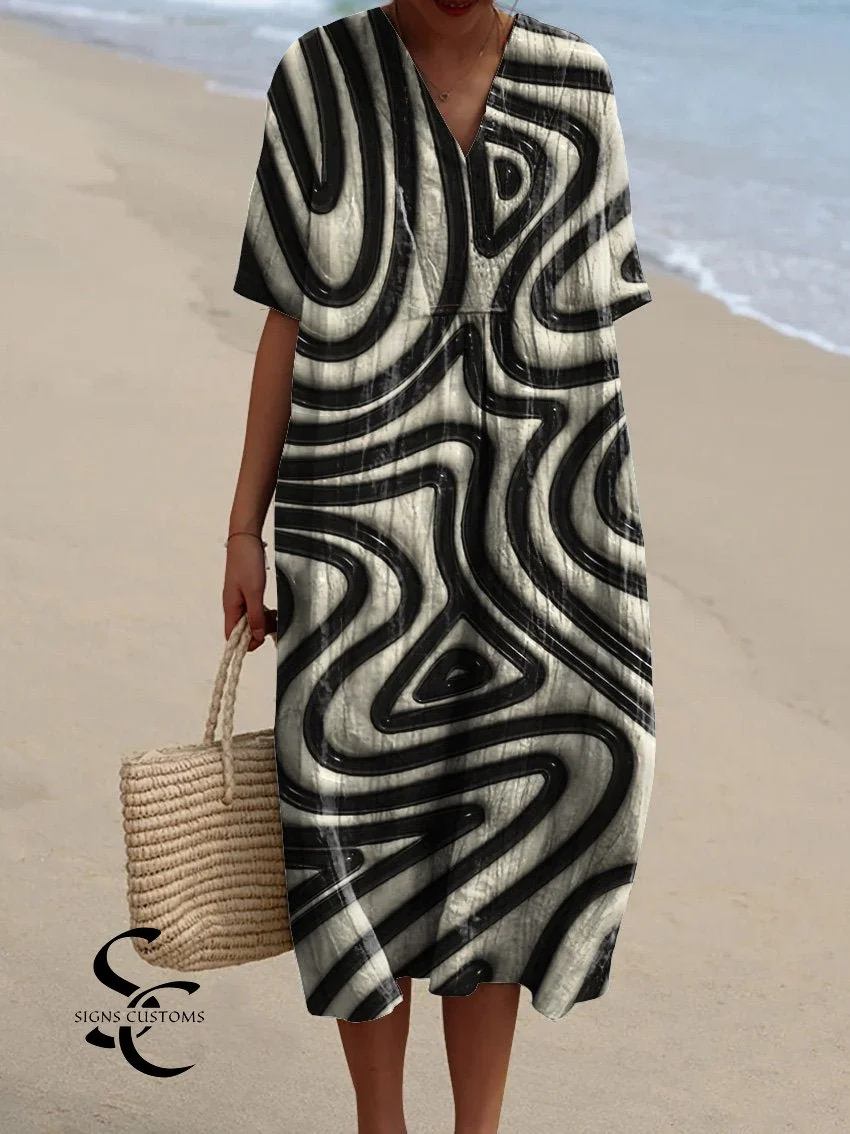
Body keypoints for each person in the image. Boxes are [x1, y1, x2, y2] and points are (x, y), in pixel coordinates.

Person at [224, 2, 656, 1131]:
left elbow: (592, 354)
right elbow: (285, 317)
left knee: (508, 822)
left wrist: (598, 558)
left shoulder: (577, 86)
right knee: (349, 821)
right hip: (356, 534)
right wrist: (242, 528)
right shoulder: (320, 78)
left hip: (536, 530)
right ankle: (381, 1123)